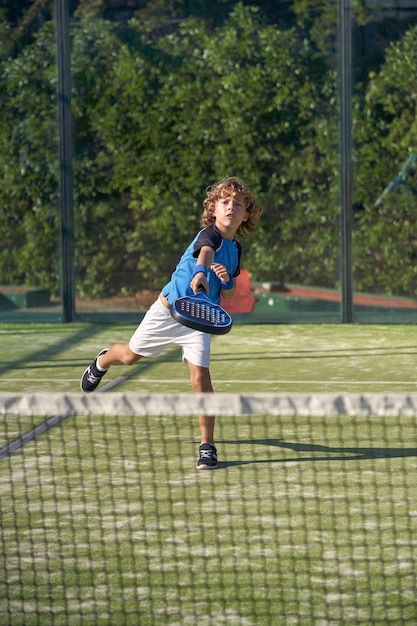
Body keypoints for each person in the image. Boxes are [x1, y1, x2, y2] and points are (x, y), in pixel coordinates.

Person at [80, 177, 262, 469]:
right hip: (169, 310)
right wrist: (200, 273)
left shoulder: (236, 250)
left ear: (245, 215)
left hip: (199, 318)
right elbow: (204, 253)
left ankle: (207, 445)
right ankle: (103, 361)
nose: (231, 208)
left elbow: (228, 292)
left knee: (201, 379)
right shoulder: (210, 235)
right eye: (225, 202)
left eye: (237, 205)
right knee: (128, 357)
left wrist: (226, 280)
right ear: (213, 209)